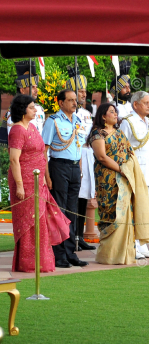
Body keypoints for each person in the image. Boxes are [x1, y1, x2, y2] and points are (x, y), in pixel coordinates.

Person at [89, 103, 149, 265]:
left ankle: (125, 253)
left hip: (124, 177)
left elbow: (129, 152)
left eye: (116, 112)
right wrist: (120, 169)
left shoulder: (120, 133)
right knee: (110, 211)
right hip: (107, 178)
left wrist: (127, 169)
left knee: (126, 211)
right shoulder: (97, 134)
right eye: (111, 112)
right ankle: (108, 254)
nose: (115, 114)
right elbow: (101, 157)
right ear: (103, 116)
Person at [8, 94, 70, 272]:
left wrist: (43, 178)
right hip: (24, 182)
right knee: (28, 222)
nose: (35, 110)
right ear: (22, 110)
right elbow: (14, 160)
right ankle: (27, 263)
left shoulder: (33, 128)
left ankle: (41, 261)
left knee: (40, 220)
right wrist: (19, 185)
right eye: (31, 107)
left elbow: (39, 155)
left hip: (37, 181)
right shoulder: (17, 130)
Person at [42, 89, 87, 268]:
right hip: (59, 166)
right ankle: (59, 253)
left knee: (72, 211)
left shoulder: (77, 121)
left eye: (75, 100)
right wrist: (47, 177)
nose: (74, 103)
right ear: (61, 103)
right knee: (59, 211)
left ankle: (70, 252)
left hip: (74, 167)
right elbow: (44, 151)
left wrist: (80, 170)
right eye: (70, 100)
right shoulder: (53, 121)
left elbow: (79, 147)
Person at [119, 91, 149, 259]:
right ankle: (133, 245)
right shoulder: (128, 122)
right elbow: (122, 148)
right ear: (135, 104)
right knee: (134, 208)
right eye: (146, 102)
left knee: (145, 209)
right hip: (135, 170)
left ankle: (142, 244)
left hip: (148, 171)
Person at [66, 65, 97, 252]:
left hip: (87, 155)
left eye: (85, 91)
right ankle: (72, 236)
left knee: (84, 197)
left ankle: (80, 235)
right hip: (74, 155)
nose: (84, 94)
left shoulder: (86, 114)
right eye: (80, 91)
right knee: (74, 198)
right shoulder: (69, 114)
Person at [6, 60, 46, 137]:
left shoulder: (39, 109)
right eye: (32, 87)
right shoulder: (15, 110)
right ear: (22, 90)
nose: (36, 90)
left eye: (36, 87)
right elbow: (14, 138)